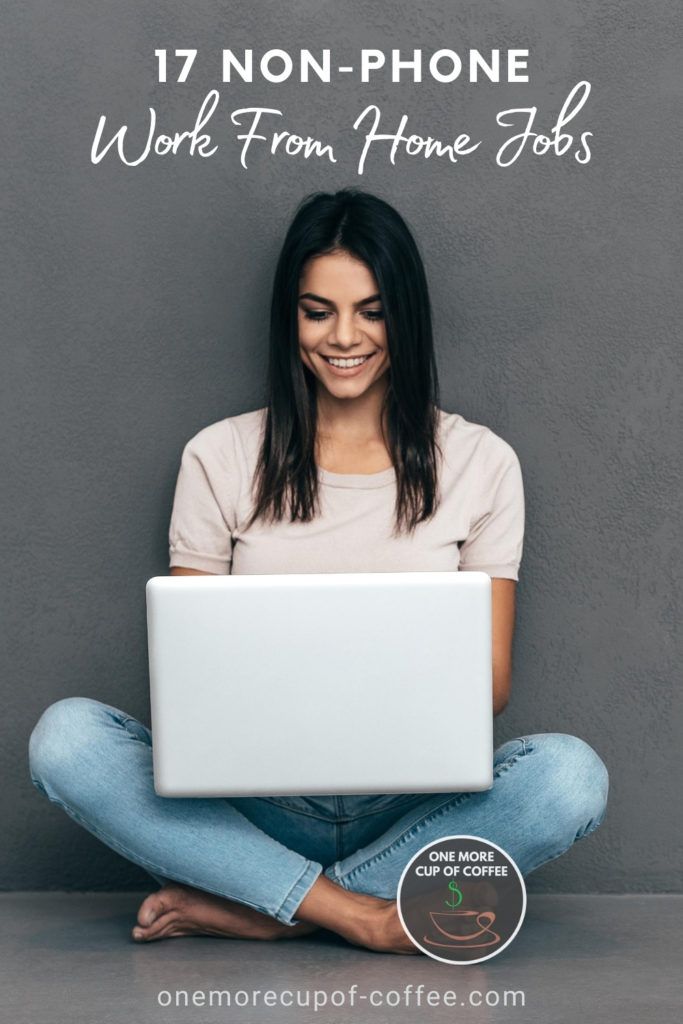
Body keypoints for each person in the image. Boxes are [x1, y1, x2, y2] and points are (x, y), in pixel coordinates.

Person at [28, 188, 609, 954]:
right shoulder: (220, 457)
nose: (344, 337)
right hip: (257, 799)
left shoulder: (480, 462)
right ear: (289, 317)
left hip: (410, 802)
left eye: (371, 310)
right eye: (317, 311)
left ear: (405, 314)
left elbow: (489, 687)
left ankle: (273, 902)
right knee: (66, 740)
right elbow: (194, 679)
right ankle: (360, 911)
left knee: (569, 778)